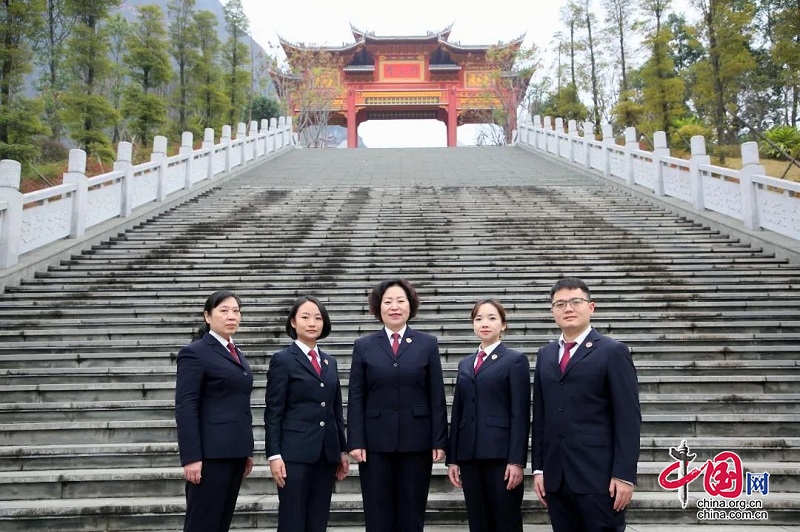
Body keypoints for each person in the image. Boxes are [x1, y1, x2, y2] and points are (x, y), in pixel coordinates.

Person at [532, 277, 641, 532]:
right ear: (552, 312)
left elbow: (628, 418)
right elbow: (540, 416)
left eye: (575, 302)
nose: (567, 309)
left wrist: (624, 474)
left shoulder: (612, 351)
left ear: (591, 307)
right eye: (559, 304)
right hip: (557, 477)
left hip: (599, 478)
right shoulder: (546, 355)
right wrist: (539, 468)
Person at [347, 278, 449, 531]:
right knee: (377, 511)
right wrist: (356, 440)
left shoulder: (427, 343)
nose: (394, 306)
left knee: (412, 511)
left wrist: (439, 439)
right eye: (388, 301)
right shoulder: (363, 346)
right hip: (374, 444)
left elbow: (436, 394)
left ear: (410, 306)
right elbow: (356, 395)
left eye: (400, 301)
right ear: (378, 307)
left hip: (417, 441)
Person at [264, 295, 349, 532]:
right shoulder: (283, 360)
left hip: (325, 454)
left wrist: (341, 450)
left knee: (318, 519)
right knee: (293, 520)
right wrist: (274, 455)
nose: (312, 323)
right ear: (293, 322)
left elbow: (334, 410)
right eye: (305, 317)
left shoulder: (329, 362)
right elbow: (273, 411)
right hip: (294, 454)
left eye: (318, 318)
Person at [447, 298, 531, 532]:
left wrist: (516, 460)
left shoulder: (515, 360)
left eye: (492, 318)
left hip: (501, 456)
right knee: (478, 519)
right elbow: (458, 413)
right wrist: (453, 458)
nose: (485, 323)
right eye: (479, 318)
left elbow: (520, 413)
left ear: (503, 324)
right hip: (470, 455)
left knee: (506, 518)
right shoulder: (465, 364)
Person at [175, 290, 254, 532]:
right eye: (224, 311)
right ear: (207, 316)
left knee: (221, 523)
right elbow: (186, 407)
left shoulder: (236, 353)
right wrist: (191, 457)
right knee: (203, 523)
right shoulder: (195, 353)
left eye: (236, 311)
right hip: (210, 455)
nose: (232, 316)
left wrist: (246, 450)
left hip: (234, 452)